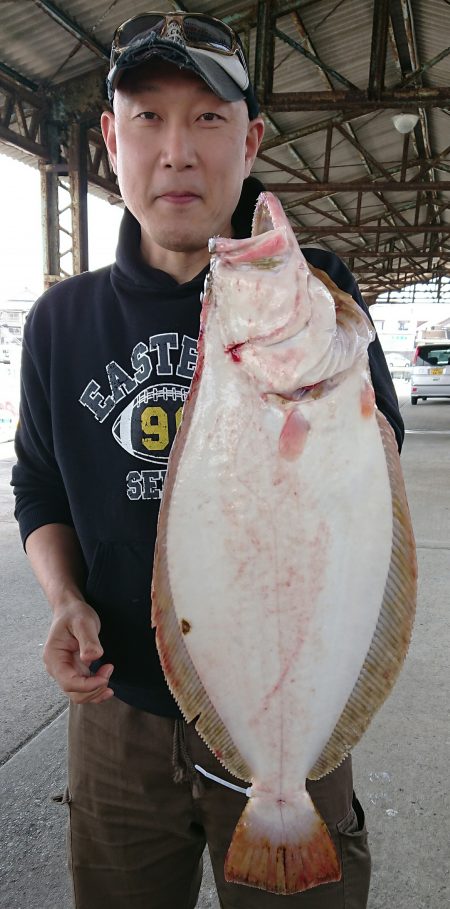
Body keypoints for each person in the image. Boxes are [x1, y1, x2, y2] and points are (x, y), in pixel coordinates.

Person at [12, 11, 404, 909]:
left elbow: (370, 487)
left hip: (294, 714)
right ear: (111, 140)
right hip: (119, 713)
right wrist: (65, 597)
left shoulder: (323, 293)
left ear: (252, 137)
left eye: (210, 117)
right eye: (147, 118)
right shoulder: (60, 325)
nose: (178, 150)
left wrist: (327, 334)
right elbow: (38, 485)